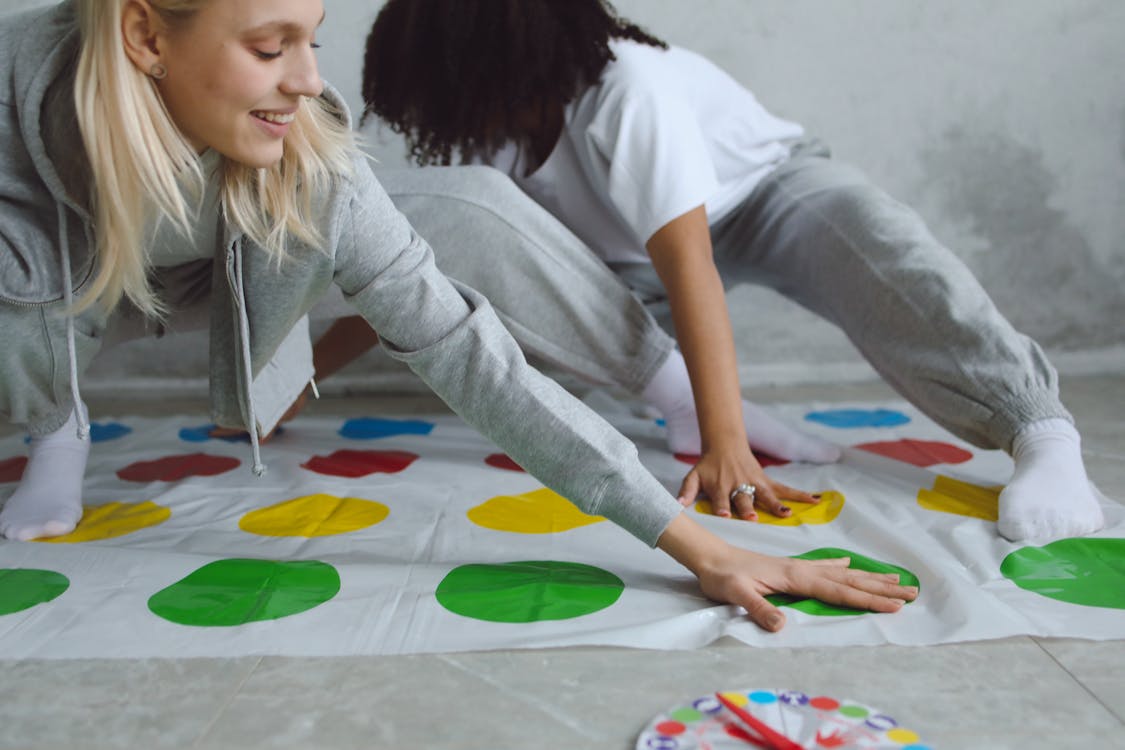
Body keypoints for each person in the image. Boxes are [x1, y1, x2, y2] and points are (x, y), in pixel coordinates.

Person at [0, 0, 917, 632]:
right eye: (271, 48)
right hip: (66, 291)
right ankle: (55, 423)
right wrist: (43, 407)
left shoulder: (312, 158)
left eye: (314, 38)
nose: (307, 82)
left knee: (463, 201)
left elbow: (472, 357)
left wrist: (701, 551)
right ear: (144, 35)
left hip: (220, 272)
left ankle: (668, 386)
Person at [360, 0, 1106, 542]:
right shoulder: (485, 137)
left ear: (493, 64)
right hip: (627, 262)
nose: (431, 114)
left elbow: (691, 266)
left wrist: (728, 447)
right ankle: (687, 402)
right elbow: (412, 265)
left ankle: (1037, 431)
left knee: (883, 247)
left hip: (761, 196)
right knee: (511, 297)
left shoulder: (629, 91)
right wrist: (301, 374)